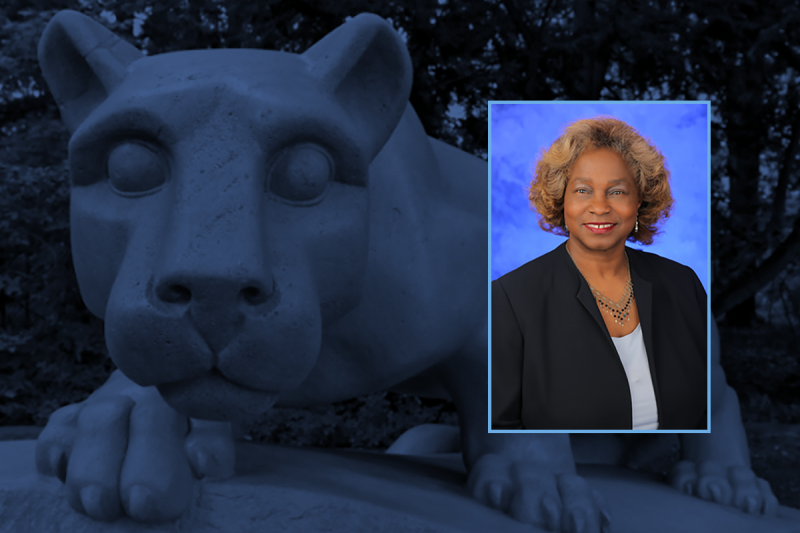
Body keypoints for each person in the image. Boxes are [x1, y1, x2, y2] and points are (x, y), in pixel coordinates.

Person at [492, 116, 707, 430]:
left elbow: (711, 405)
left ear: (640, 201)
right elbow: (502, 429)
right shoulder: (512, 299)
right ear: (560, 200)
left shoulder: (683, 284)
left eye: (617, 192)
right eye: (582, 190)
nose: (599, 206)